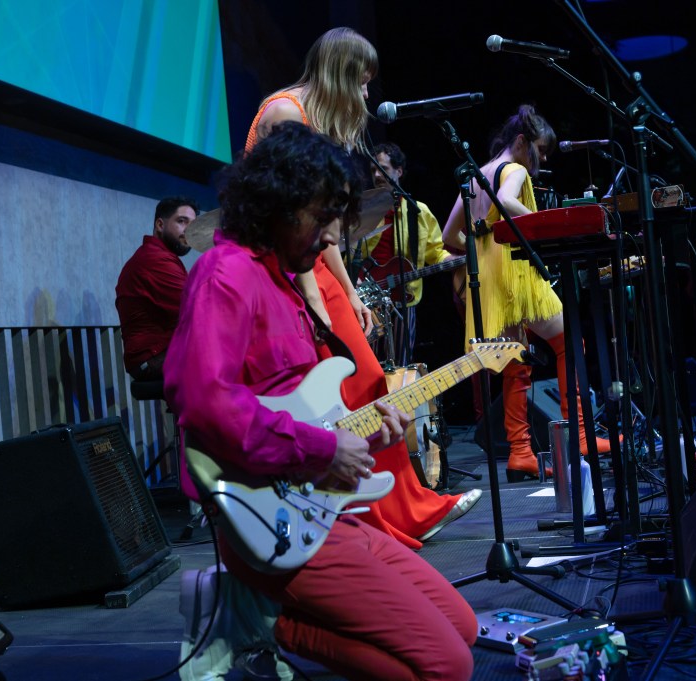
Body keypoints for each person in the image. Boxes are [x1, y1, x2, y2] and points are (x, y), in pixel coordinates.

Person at [165, 122, 476, 681]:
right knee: (447, 666)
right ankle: (261, 620)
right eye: (322, 216)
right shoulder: (226, 275)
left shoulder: (284, 281)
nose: (333, 236)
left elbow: (295, 406)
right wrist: (323, 450)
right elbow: (205, 403)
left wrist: (365, 432)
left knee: (465, 628)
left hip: (321, 506)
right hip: (271, 521)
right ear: (279, 204)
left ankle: (268, 621)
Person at [245, 27, 479, 545]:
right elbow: (291, 220)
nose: (367, 94)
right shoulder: (285, 114)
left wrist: (349, 293)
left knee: (370, 384)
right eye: (363, 81)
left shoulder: (306, 118)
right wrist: (313, 297)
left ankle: (408, 510)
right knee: (345, 395)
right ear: (342, 74)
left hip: (313, 268)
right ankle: (377, 518)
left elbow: (320, 225)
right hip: (289, 272)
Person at [442, 104, 608, 481]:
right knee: (569, 342)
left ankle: (520, 453)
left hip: (489, 280)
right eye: (540, 149)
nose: (542, 159)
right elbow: (505, 200)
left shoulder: (476, 176)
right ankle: (581, 438)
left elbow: (449, 235)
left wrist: (481, 246)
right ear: (521, 142)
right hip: (516, 272)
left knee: (516, 360)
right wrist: (544, 225)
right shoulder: (513, 169)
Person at [360, 142, 460, 365]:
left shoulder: (418, 212)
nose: (377, 175)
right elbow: (347, 253)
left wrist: (456, 260)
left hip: (401, 299)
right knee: (368, 365)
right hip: (365, 298)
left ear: (399, 171)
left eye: (383, 169)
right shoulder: (363, 209)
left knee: (400, 365)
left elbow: (435, 252)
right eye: (373, 170)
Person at [115, 196, 198, 381]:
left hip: (159, 353)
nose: (189, 230)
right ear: (160, 225)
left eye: (193, 225)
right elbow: (197, 310)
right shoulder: (156, 260)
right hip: (153, 358)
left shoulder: (159, 256)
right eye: (182, 221)